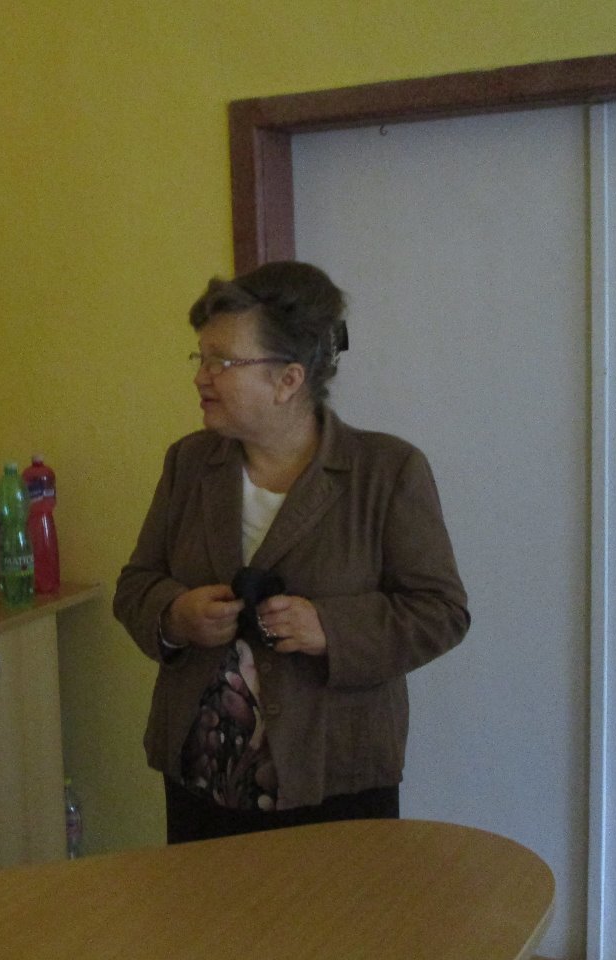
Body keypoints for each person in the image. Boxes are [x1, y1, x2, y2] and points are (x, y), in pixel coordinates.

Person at [113, 260, 470, 844]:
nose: (201, 377)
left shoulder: (387, 472)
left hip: (336, 778)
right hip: (200, 782)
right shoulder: (188, 464)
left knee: (339, 909)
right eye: (200, 357)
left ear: (288, 380)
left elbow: (441, 612)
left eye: (222, 361)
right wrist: (175, 617)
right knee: (202, 907)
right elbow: (136, 585)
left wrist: (330, 628)